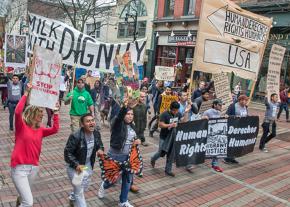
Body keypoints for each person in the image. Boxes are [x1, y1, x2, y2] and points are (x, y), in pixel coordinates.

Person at [11, 83, 59, 207]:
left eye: (42, 113)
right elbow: (17, 112)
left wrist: (56, 113)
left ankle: (19, 200)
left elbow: (55, 129)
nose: (42, 115)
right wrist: (26, 93)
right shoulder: (21, 127)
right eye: (40, 113)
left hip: (33, 168)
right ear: (32, 113)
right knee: (28, 202)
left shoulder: (41, 130)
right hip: (19, 168)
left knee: (24, 196)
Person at [98, 98, 141, 207]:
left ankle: (123, 201)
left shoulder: (132, 126)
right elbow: (119, 117)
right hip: (116, 155)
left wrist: (137, 141)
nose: (130, 116)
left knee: (127, 180)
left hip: (128, 157)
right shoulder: (117, 123)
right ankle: (104, 185)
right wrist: (125, 107)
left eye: (132, 114)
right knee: (113, 179)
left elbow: (134, 138)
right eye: (128, 114)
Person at [64, 113, 104, 207]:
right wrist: (77, 165)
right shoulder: (75, 136)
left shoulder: (96, 133)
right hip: (76, 168)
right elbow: (67, 153)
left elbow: (99, 144)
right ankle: (77, 199)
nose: (91, 123)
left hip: (87, 165)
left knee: (84, 187)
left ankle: (72, 197)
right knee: (79, 192)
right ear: (82, 124)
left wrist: (100, 149)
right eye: (88, 121)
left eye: (92, 120)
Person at [150, 101, 190, 177]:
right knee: (161, 152)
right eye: (174, 110)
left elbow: (184, 121)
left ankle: (168, 170)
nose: (175, 112)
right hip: (164, 137)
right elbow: (160, 125)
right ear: (170, 109)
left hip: (173, 137)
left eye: (177, 110)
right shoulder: (164, 114)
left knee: (171, 154)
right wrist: (170, 125)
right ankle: (153, 158)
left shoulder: (178, 114)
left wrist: (186, 113)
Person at [224, 95, 249, 164]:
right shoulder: (233, 106)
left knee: (236, 143)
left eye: (246, 100)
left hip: (241, 129)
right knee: (231, 142)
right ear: (240, 100)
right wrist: (235, 116)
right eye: (244, 100)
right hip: (233, 127)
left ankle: (232, 157)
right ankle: (227, 158)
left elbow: (246, 116)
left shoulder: (246, 107)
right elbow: (226, 115)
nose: (245, 102)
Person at [203, 99, 224, 173]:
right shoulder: (208, 112)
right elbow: (200, 120)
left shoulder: (219, 112)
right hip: (207, 134)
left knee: (216, 148)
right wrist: (203, 118)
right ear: (214, 105)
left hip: (215, 134)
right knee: (203, 149)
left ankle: (215, 164)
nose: (221, 106)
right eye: (219, 105)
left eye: (221, 105)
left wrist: (225, 117)